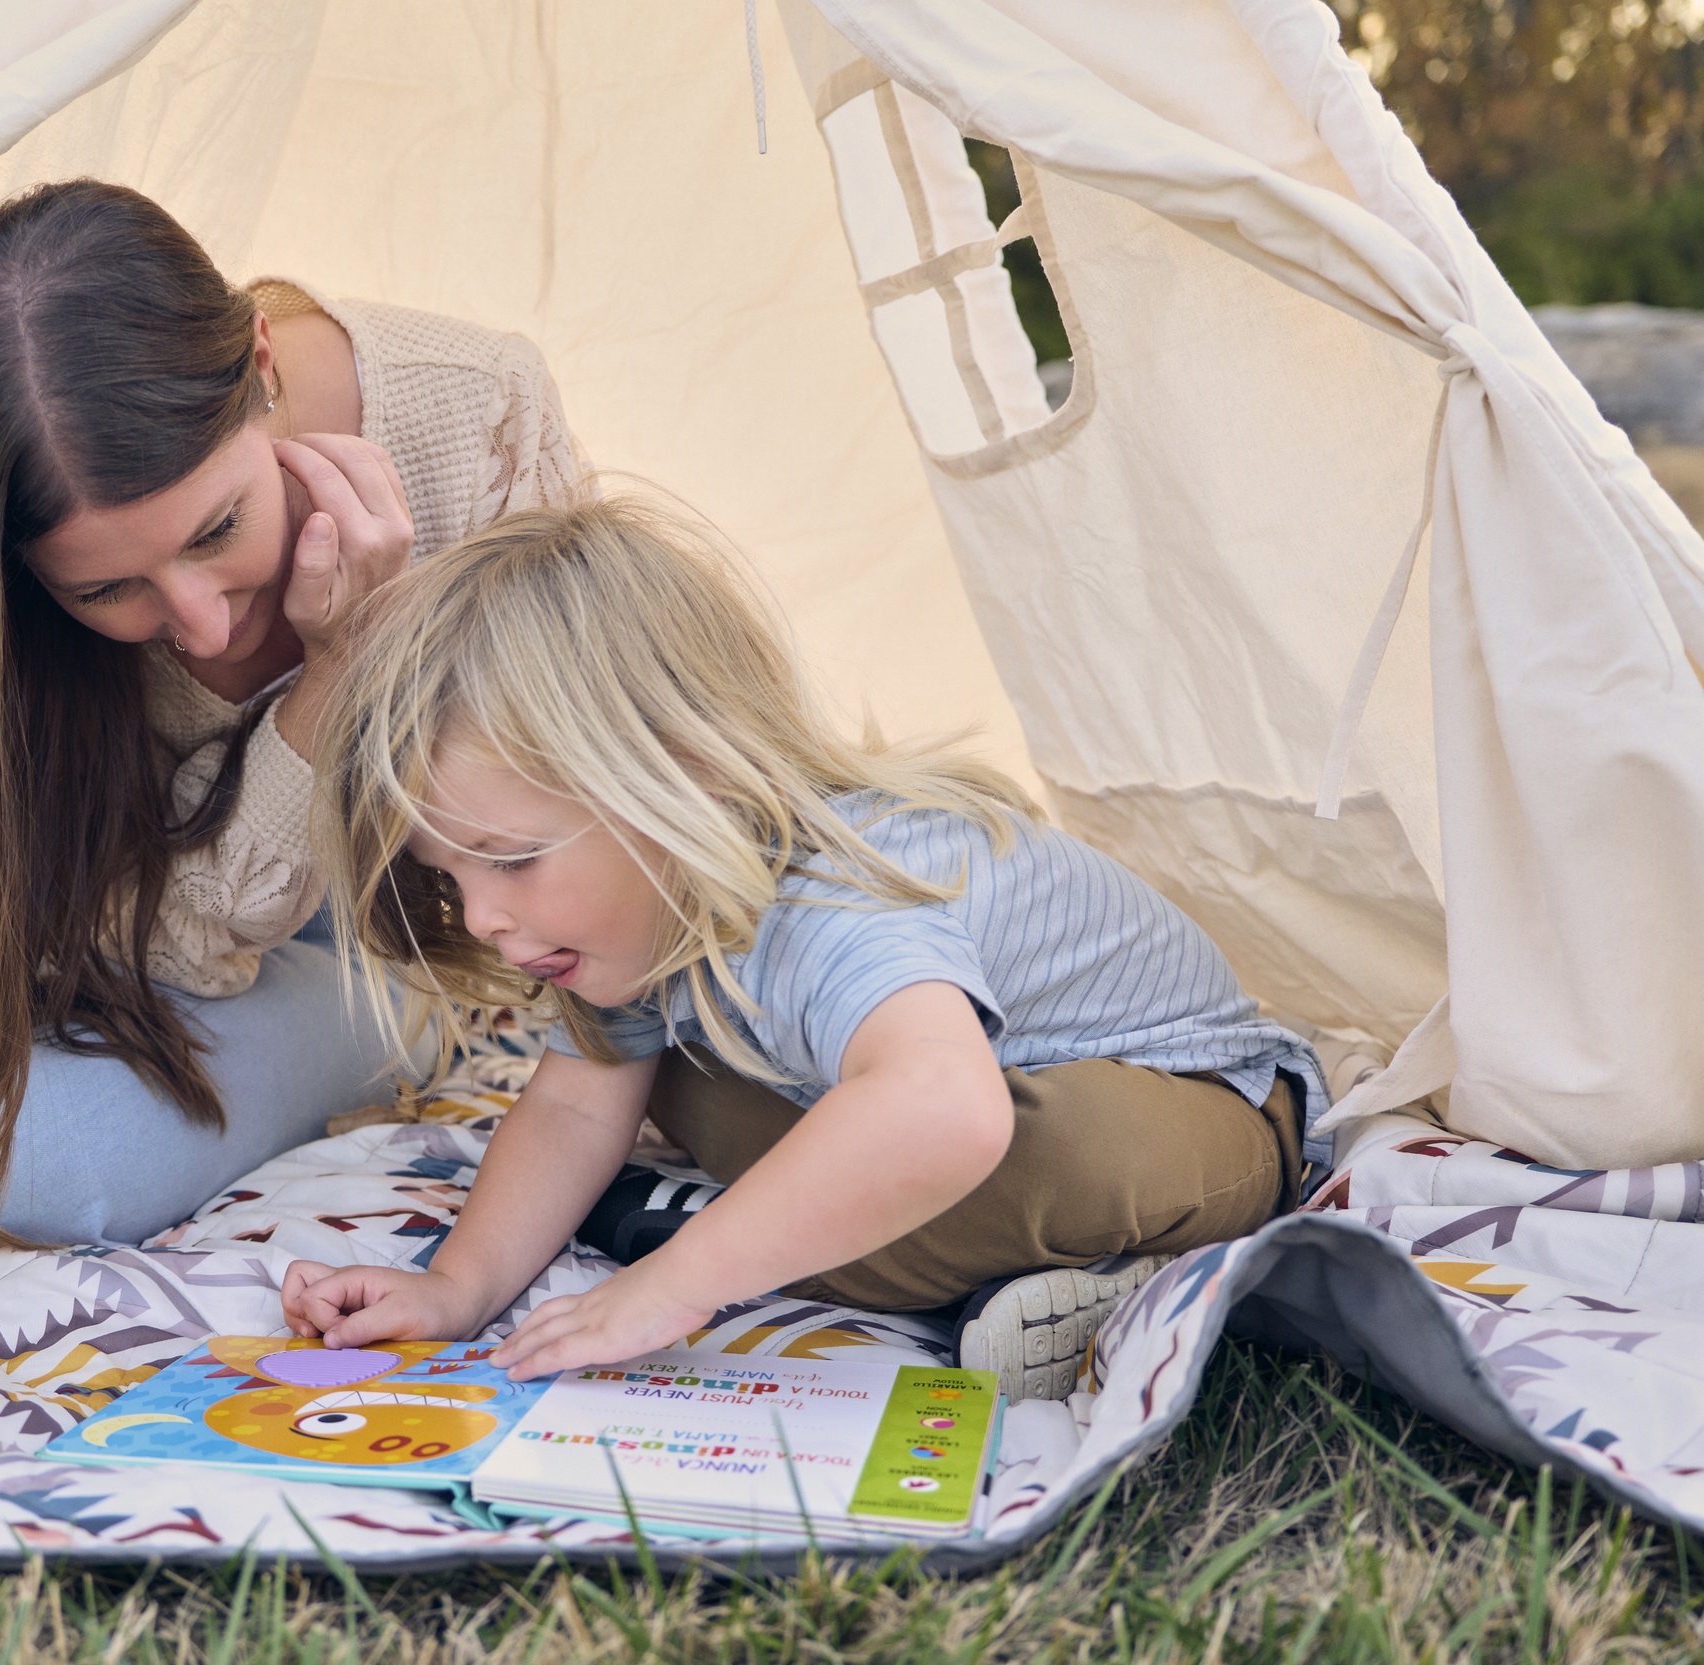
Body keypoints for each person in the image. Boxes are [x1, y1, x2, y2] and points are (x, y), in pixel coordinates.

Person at [0, 179, 583, 1248]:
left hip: (365, 919)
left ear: (264, 365)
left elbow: (194, 955)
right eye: (105, 591)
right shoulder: (3, 604)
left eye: (217, 528)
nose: (194, 626)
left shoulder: (479, 413)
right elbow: (34, 851)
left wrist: (342, 674)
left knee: (16, 1162)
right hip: (75, 866)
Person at [278, 498, 1325, 1402]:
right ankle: (997, 1278)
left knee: (953, 1155)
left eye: (512, 861)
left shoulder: (829, 897)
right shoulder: (647, 918)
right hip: (964, 1091)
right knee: (664, 1083)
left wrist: (674, 1280)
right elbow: (569, 1105)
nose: (487, 920)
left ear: (684, 778)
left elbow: (945, 1110)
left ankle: (727, 1228)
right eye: (451, 879)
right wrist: (455, 1288)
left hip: (1199, 1118)